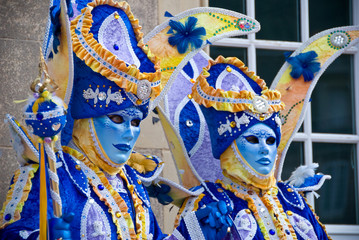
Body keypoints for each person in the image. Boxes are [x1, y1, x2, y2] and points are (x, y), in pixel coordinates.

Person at [0, 1, 231, 239]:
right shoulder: (53, 176)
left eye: (134, 123)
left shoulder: (131, 182)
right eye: (117, 118)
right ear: (85, 119)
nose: (129, 133)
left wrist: (191, 232)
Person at [175, 56, 332, 239]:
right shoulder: (209, 202)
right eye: (253, 140)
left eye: (271, 141)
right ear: (229, 148)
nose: (265, 149)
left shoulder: (293, 200)